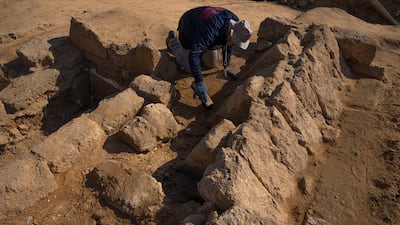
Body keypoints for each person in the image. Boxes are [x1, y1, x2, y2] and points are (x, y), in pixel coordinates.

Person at [166, 6, 252, 105]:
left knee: (212, 63)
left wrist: (226, 65)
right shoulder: (212, 30)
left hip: (203, 31)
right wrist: (199, 82)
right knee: (188, 67)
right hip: (189, 27)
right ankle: (173, 41)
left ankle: (201, 45)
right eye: (235, 41)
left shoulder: (235, 24)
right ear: (230, 32)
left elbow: (229, 44)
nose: (235, 44)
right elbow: (194, 54)